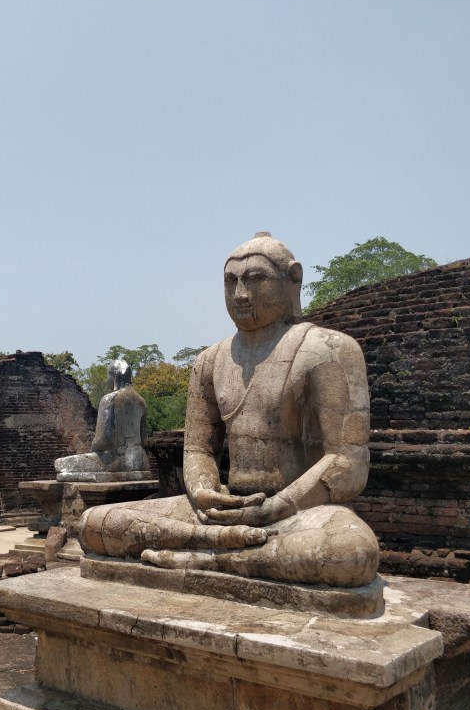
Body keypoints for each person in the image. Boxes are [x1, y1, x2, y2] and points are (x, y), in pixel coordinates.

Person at [78, 232, 379, 587]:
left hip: (294, 513)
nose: (240, 295)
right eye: (230, 282)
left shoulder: (329, 350)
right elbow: (198, 450)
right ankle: (226, 551)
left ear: (293, 279)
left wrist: (277, 506)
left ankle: (195, 554)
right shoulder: (210, 361)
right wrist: (205, 492)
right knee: (95, 523)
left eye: (255, 280)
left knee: (349, 552)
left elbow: (347, 462)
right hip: (222, 512)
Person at [55, 359, 151, 481]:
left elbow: (103, 440)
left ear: (115, 376)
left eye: (109, 376)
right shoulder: (141, 402)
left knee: (61, 465)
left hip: (116, 460)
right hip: (140, 460)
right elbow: (144, 440)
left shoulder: (110, 399)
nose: (107, 380)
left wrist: (94, 447)